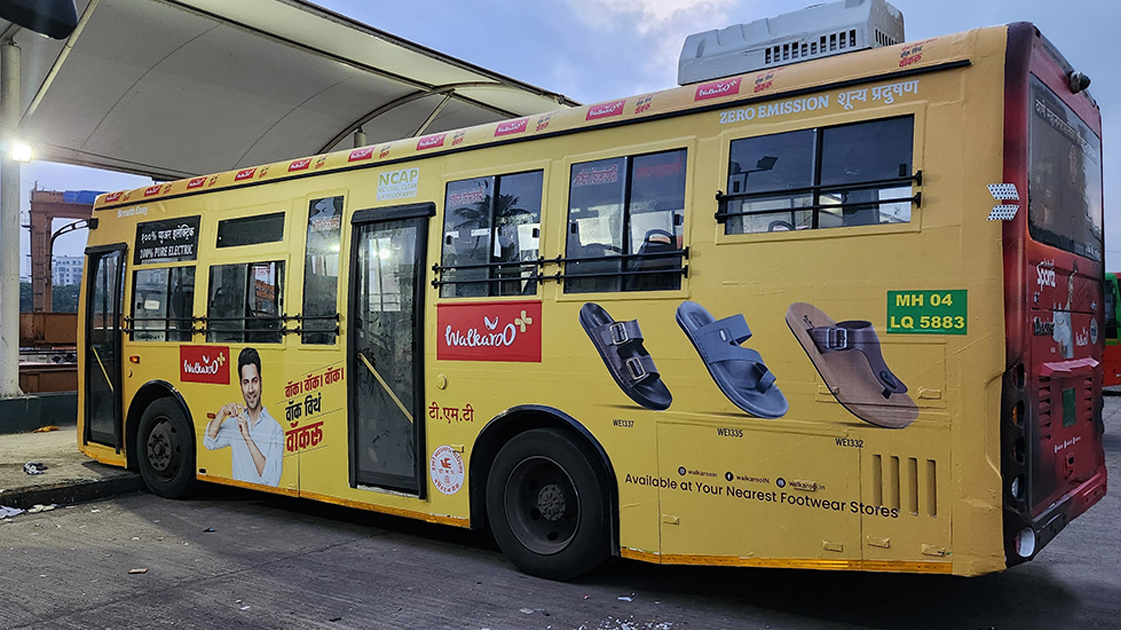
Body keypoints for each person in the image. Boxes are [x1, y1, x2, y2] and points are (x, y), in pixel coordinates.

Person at [204, 347, 283, 486]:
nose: (251, 389)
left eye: (255, 381)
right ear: (241, 386)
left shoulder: (275, 430)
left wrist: (247, 437)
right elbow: (209, 442)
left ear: (261, 382)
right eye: (246, 382)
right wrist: (222, 412)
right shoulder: (235, 422)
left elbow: (271, 479)